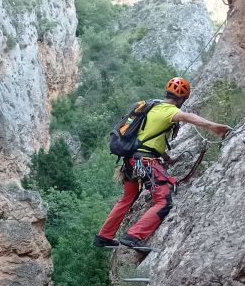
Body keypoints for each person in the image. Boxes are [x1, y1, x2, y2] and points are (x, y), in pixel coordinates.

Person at [94, 77, 231, 249]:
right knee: (164, 201)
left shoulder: (153, 106)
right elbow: (189, 117)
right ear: (182, 99)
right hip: (145, 162)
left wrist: (167, 159)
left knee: (127, 198)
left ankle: (103, 237)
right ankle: (133, 236)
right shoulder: (169, 111)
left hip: (131, 161)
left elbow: (148, 139)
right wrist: (215, 127)